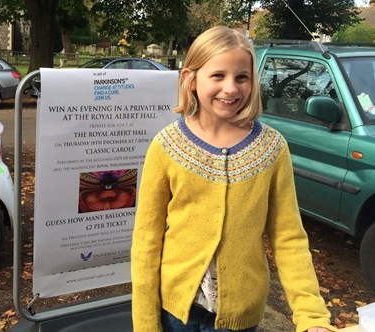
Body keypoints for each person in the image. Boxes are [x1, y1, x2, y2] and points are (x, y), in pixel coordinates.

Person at [131, 26, 336, 332]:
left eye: (242, 77)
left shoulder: (272, 148)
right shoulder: (166, 146)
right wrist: (146, 324)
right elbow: (147, 241)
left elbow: (288, 237)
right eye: (218, 76)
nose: (231, 88)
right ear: (190, 78)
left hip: (241, 317)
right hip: (176, 314)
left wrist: (311, 315)